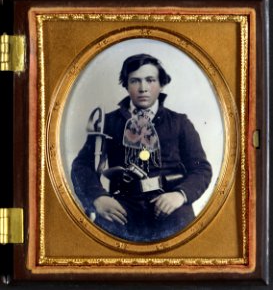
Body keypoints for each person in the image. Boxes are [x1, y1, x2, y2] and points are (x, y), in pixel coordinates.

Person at [71, 54, 212, 242]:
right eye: (135, 81)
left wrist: (180, 195)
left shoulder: (179, 123)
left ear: (161, 84)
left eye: (150, 80)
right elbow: (82, 166)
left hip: (171, 207)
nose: (143, 88)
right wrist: (97, 198)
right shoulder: (109, 122)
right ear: (126, 84)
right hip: (122, 208)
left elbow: (201, 169)